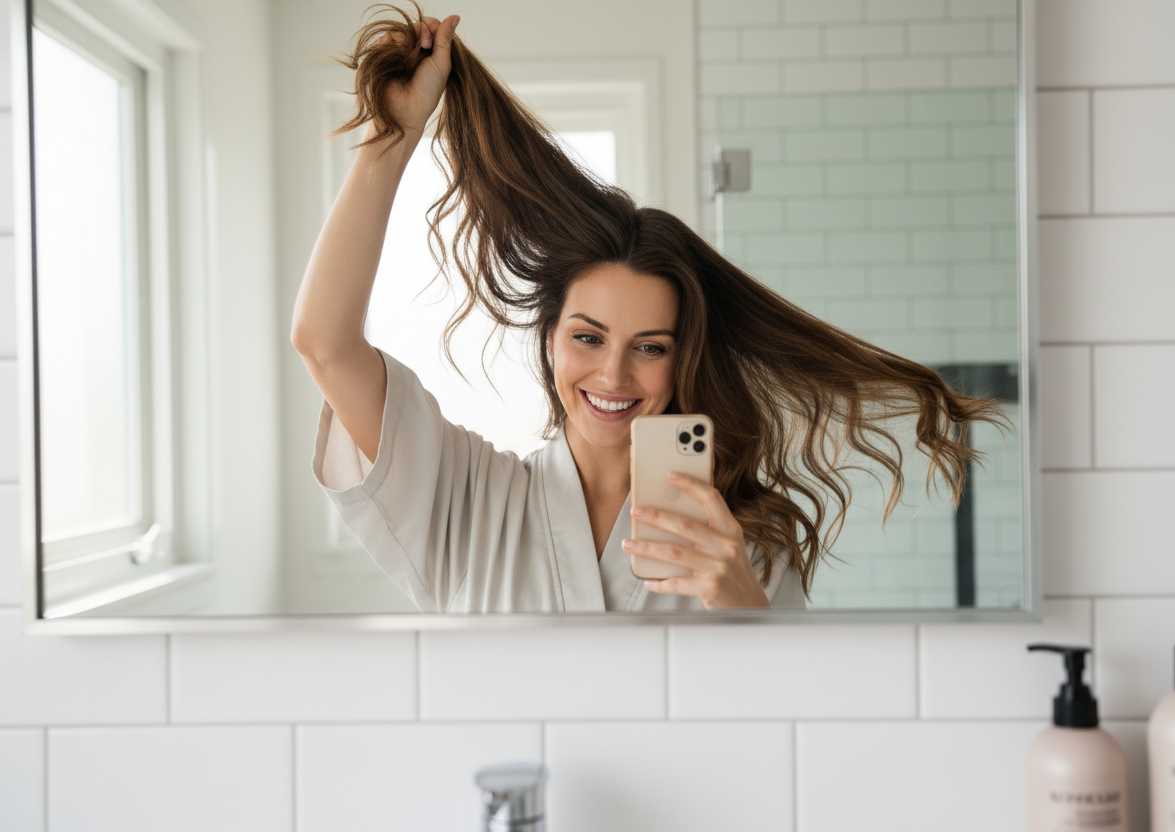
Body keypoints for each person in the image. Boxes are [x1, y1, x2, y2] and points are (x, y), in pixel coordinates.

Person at [291, 7, 1004, 614]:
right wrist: (393, 137)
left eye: (651, 346)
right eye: (588, 337)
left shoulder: (746, 541)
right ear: (549, 338)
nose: (614, 374)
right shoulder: (467, 500)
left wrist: (746, 605)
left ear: (682, 357)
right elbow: (324, 342)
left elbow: (788, 717)